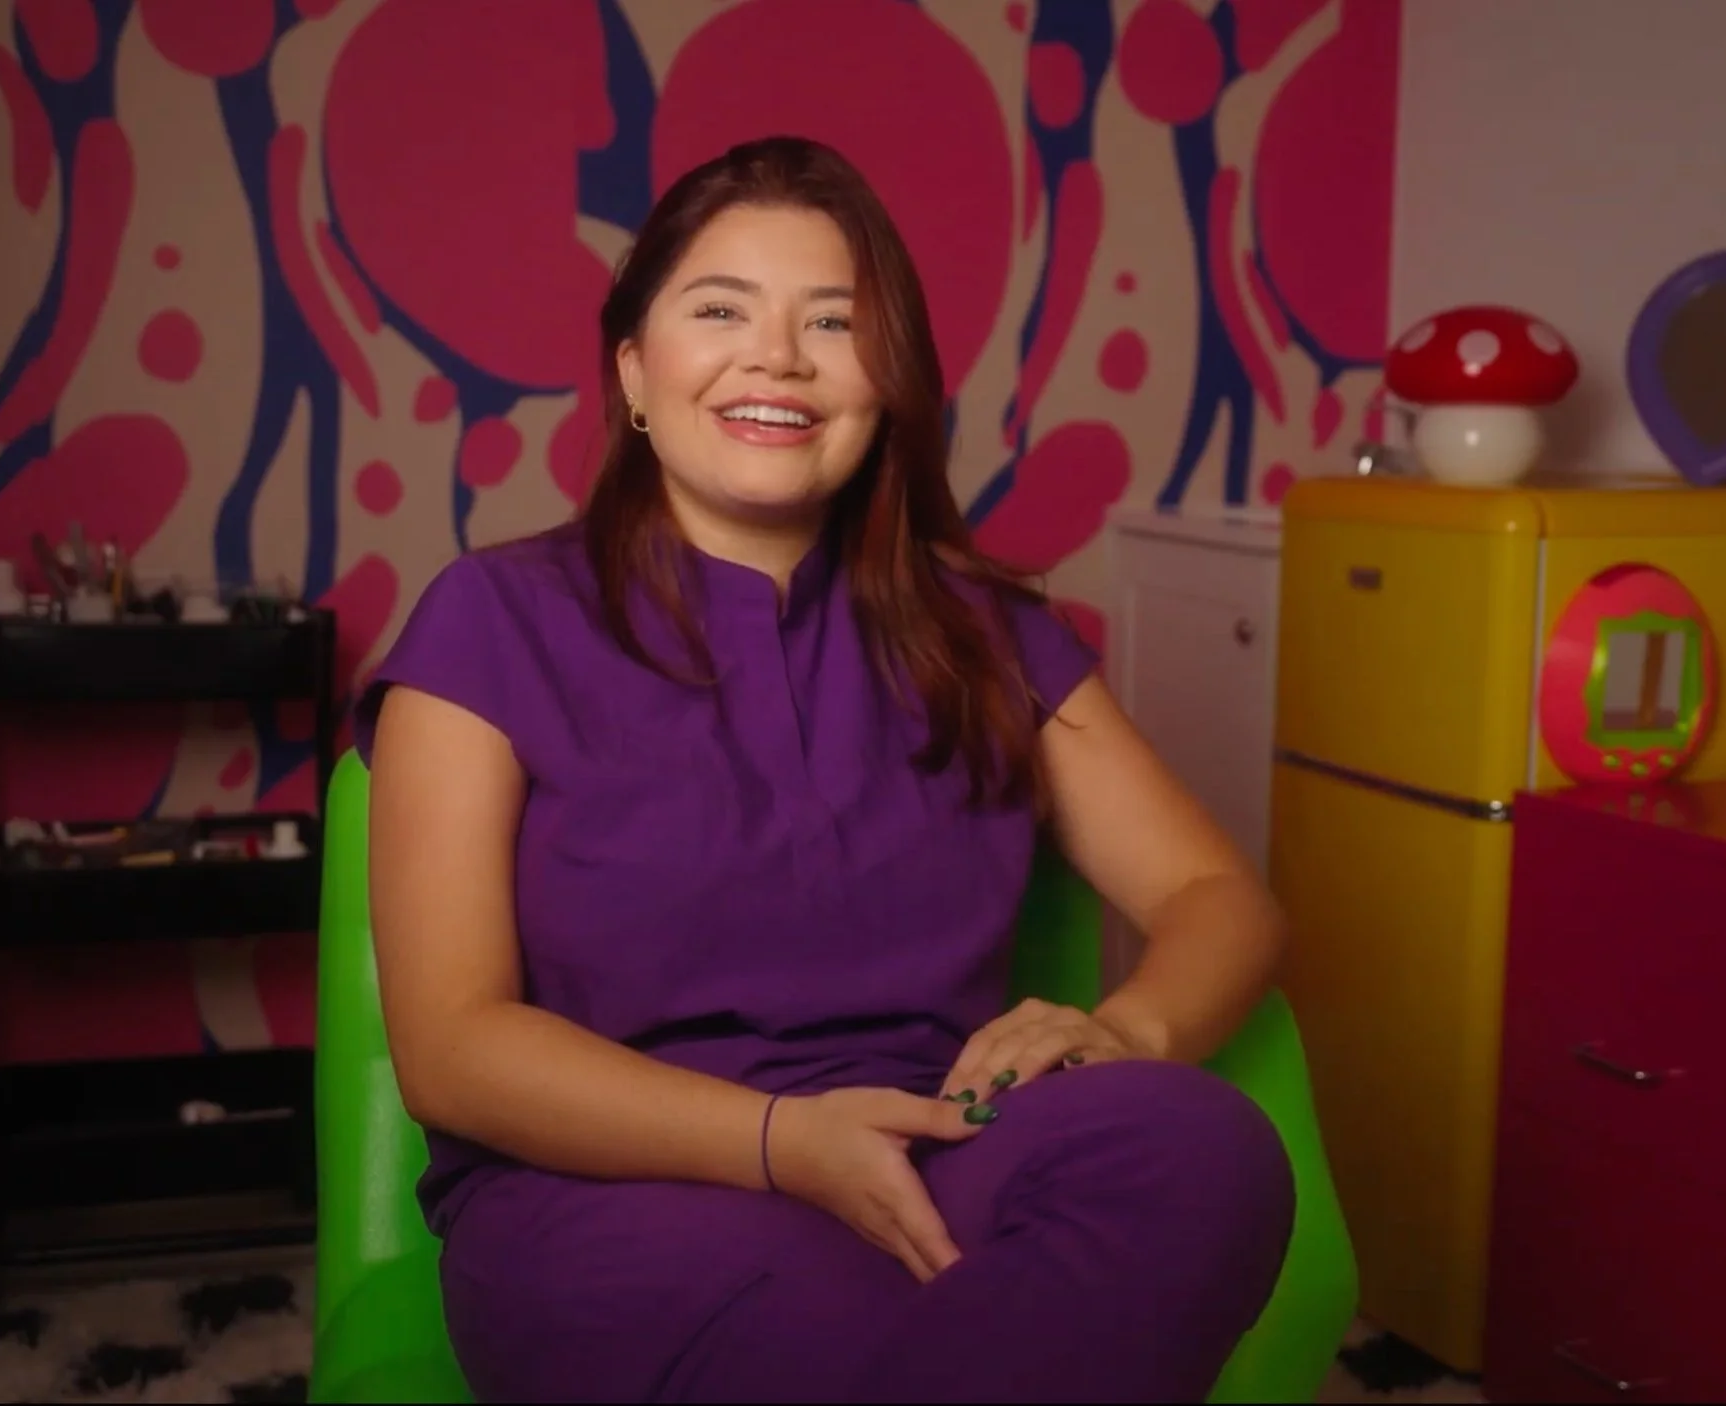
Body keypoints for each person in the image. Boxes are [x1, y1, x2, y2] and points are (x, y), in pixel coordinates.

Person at [355, 135, 1294, 1404]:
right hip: (617, 1191)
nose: (779, 358)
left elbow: (1218, 896)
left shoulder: (986, 633)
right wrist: (783, 1142)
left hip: (939, 1143)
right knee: (852, 1343)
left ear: (888, 381)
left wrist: (1125, 1028)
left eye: (835, 321)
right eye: (719, 309)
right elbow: (452, 1047)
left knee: (1204, 1148)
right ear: (634, 369)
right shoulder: (488, 619)